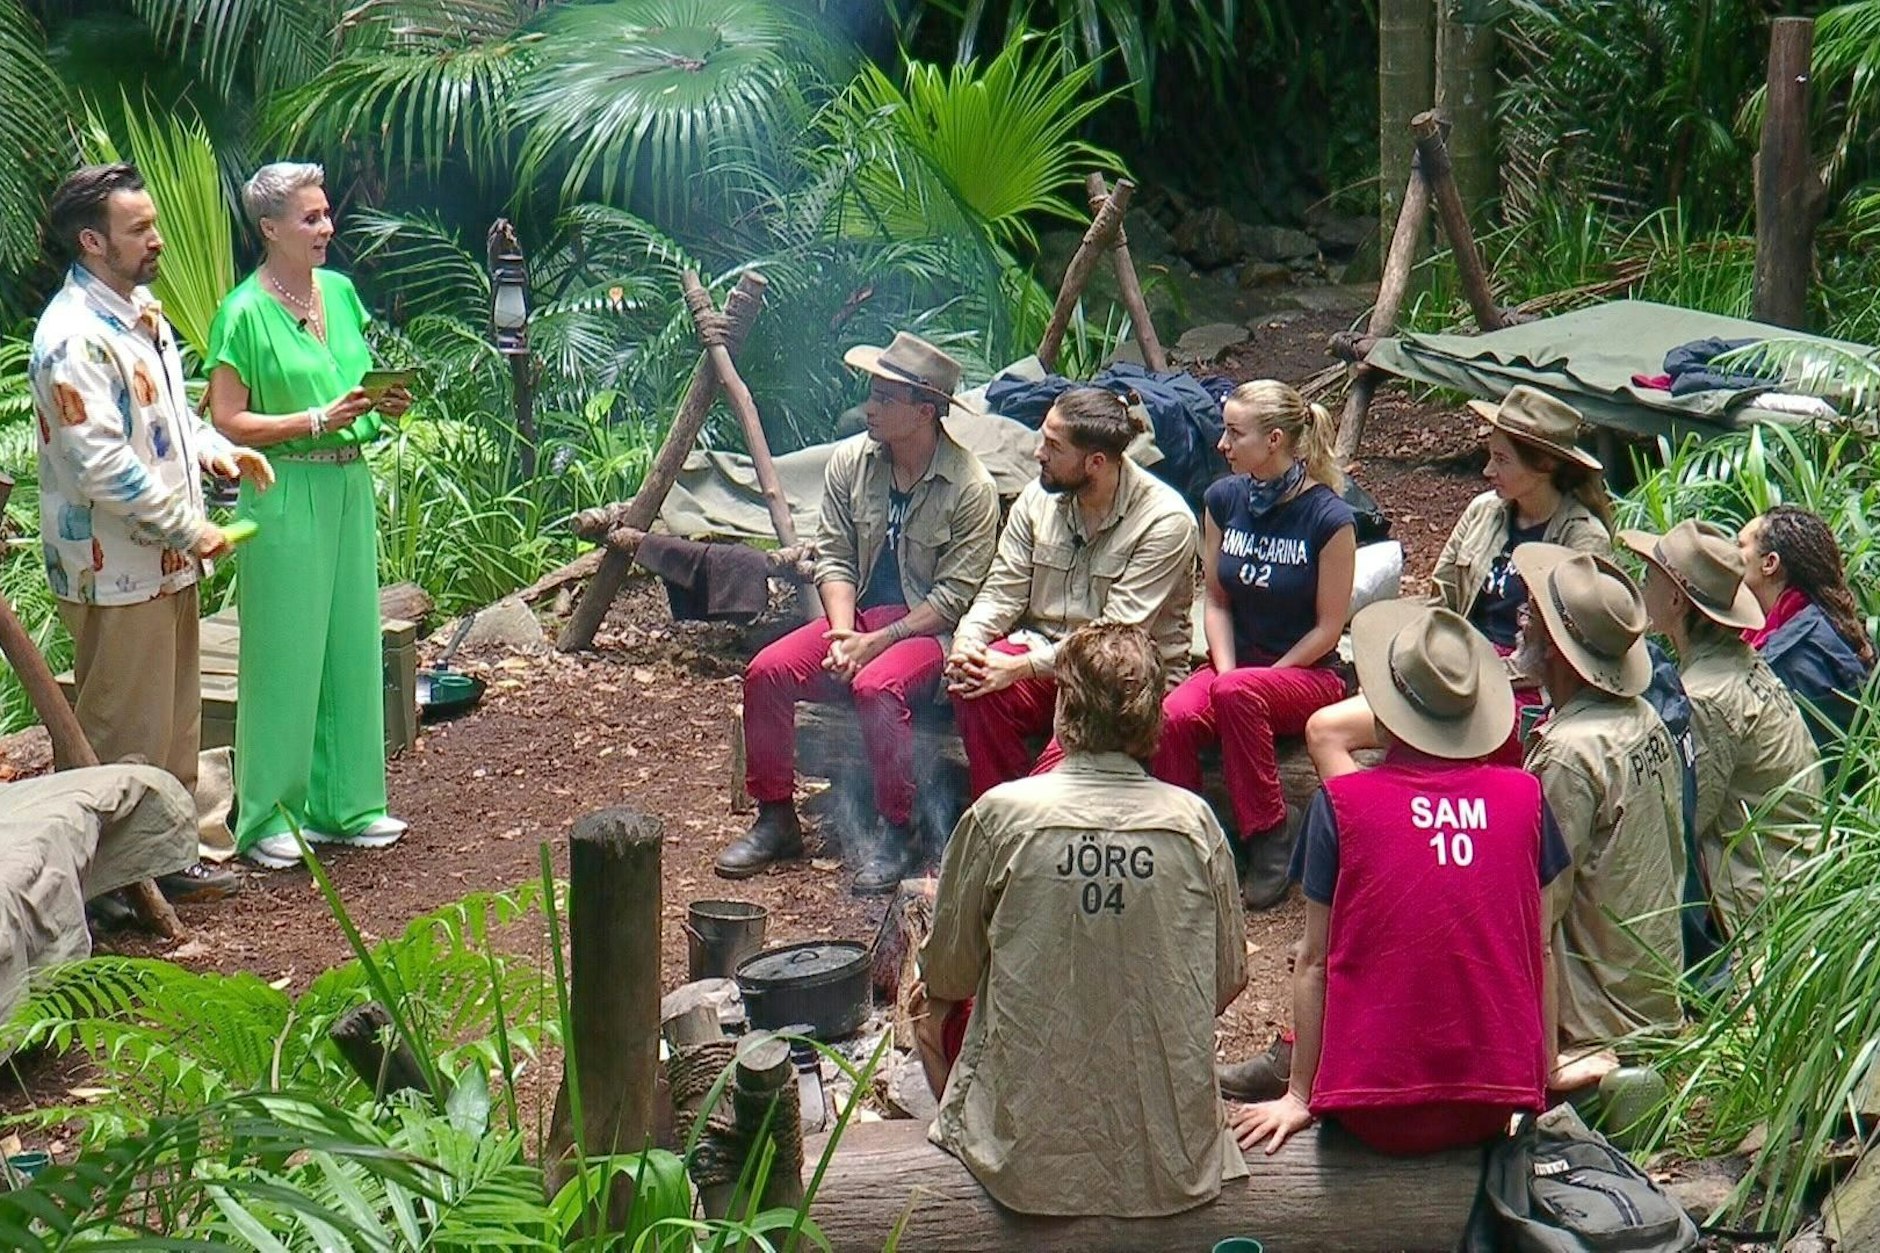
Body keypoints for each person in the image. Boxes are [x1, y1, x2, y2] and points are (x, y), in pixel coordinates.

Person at [916, 622, 1247, 1218]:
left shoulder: (1000, 814)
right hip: (1169, 1152)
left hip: (1021, 1158)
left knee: (929, 1004)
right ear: (1153, 716)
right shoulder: (1195, 823)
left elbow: (949, 976)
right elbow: (1225, 982)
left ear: (1064, 706)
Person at [1230, 600, 1563, 1157]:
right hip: (1492, 1106)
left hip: (1369, 1112)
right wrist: (1547, 1074)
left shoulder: (1341, 804)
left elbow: (1313, 961)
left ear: (1383, 712)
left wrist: (1298, 1095)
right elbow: (1543, 949)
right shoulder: (1525, 798)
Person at [30, 162, 273, 904]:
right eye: (140, 229)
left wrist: (214, 448)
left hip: (167, 558)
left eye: (153, 224)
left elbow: (165, 416)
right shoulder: (71, 338)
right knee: (122, 728)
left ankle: (170, 858)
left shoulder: (140, 313)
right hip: (112, 567)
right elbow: (99, 462)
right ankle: (111, 885)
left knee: (174, 721)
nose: (157, 239)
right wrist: (188, 524)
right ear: (92, 241)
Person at [714, 333, 998, 893]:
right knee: (767, 672)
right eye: (872, 393)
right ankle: (775, 817)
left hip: (928, 633)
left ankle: (899, 831)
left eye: (884, 399)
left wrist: (876, 644)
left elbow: (953, 599)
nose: (869, 408)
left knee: (877, 687)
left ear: (924, 411)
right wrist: (844, 634)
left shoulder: (969, 486)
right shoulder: (852, 462)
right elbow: (836, 556)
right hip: (860, 618)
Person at [205, 162, 412, 870]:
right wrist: (315, 419)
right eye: (311, 217)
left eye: (326, 214)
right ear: (270, 228)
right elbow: (227, 419)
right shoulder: (242, 313)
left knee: (350, 641)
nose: (327, 226)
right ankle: (269, 813)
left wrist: (381, 402)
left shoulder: (341, 294)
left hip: (348, 481)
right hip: (283, 485)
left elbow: (351, 385)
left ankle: (348, 804)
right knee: (284, 653)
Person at [1306, 385, 1612, 777]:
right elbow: (1439, 604)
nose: (1487, 471)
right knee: (1324, 730)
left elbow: (1569, 654)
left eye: (1502, 460)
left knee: (1430, 759)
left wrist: (1483, 677)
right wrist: (1403, 668)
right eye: (1490, 456)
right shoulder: (1483, 512)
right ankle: (1366, 816)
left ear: (1545, 465)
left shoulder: (1583, 539)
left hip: (1522, 692)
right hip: (1450, 670)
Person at [1151, 380, 1356, 911]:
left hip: (1308, 674)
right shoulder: (1223, 500)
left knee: (1238, 693)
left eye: (1234, 433)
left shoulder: (1329, 518)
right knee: (1171, 718)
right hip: (1231, 670)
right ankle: (1194, 834)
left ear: (1275, 440)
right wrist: (1226, 673)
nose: (1222, 444)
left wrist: (1257, 681)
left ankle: (1269, 834)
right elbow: (1216, 602)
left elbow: (1328, 628)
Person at [946, 388, 1198, 798]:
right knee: (973, 683)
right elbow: (1002, 590)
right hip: (1043, 657)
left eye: (1053, 446)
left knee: (1056, 779)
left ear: (1095, 462)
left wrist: (1019, 668)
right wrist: (968, 641)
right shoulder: (1038, 498)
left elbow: (1113, 639)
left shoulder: (1165, 520)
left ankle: (1031, 811)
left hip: (1117, 679)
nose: (1038, 453)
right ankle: (1000, 809)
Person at [1512, 544, 1685, 1054]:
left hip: (1597, 1026)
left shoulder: (1569, 755)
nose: (1520, 622)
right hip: (1650, 998)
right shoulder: (1642, 716)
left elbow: (1534, 911)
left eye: (1532, 615)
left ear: (1555, 648)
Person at [1622, 519, 1824, 935]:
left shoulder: (1707, 697)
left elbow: (1685, 821)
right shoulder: (1738, 659)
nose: (1642, 587)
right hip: (1793, 876)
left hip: (1759, 908)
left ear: (1676, 601)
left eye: (1650, 578)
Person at [1737, 505, 1875, 749]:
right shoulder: (1825, 617)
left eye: (1739, 546)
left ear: (1769, 563)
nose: (1729, 556)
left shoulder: (1789, 660)